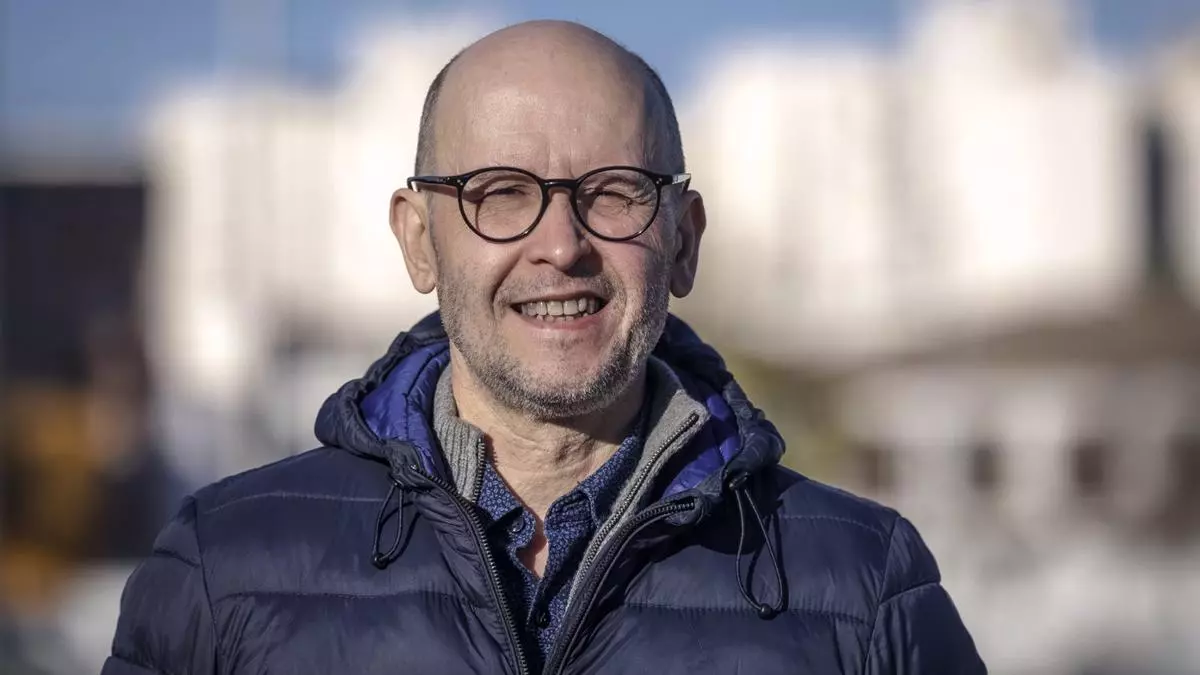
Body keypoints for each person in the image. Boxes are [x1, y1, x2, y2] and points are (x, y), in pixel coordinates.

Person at [103, 20, 985, 675]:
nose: (561, 245)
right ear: (419, 239)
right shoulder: (225, 569)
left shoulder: (864, 587)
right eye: (499, 192)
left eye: (614, 191)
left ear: (683, 240)